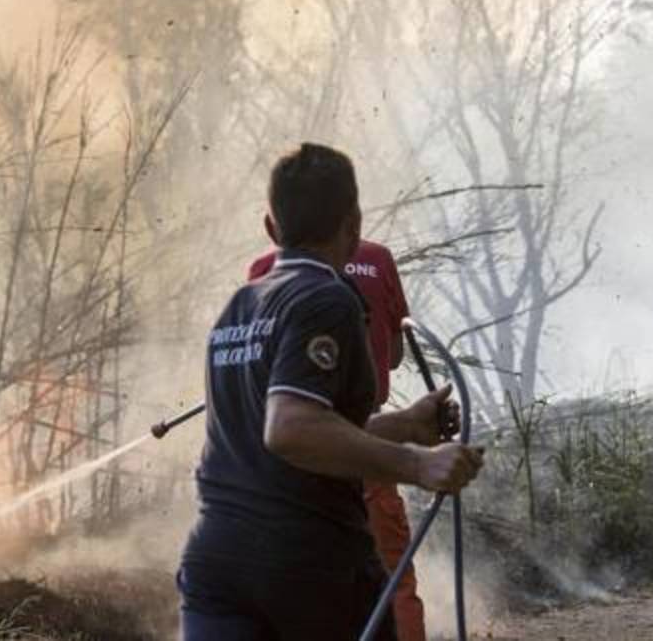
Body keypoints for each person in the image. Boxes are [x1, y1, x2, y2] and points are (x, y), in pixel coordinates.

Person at [178, 143, 484, 640]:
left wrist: (406, 426)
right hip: (307, 566)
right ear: (354, 224)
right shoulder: (327, 298)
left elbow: (298, 435)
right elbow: (291, 429)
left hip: (217, 567)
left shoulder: (238, 307)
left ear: (271, 227)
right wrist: (417, 464)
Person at [249, 241, 427, 641]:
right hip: (367, 440)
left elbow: (255, 362)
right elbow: (393, 355)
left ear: (275, 224)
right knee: (392, 574)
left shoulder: (263, 268)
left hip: (291, 448)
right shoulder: (376, 258)